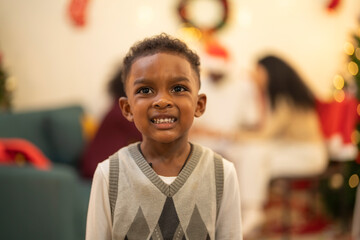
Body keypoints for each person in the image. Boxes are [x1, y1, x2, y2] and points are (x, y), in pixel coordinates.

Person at [85, 33, 242, 239]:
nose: (162, 101)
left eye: (178, 88)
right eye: (146, 89)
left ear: (199, 104)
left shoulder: (222, 173)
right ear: (127, 108)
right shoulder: (108, 175)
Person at [229, 55, 328, 235]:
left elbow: (264, 135)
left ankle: (252, 210)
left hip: (308, 156)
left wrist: (230, 135)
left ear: (270, 72)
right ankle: (250, 210)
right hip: (294, 150)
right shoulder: (285, 96)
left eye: (258, 71)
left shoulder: (285, 100)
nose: (255, 76)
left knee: (254, 156)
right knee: (251, 156)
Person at [80, 66, 142, 179]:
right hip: (100, 171)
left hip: (100, 168)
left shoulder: (116, 107)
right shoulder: (124, 111)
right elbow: (148, 134)